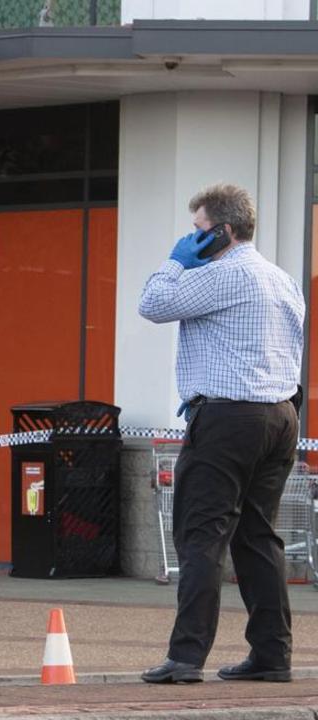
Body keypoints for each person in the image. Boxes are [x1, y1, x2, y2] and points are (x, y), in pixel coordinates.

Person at [137, 183, 304, 684]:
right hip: (280, 416)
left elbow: (153, 303)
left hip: (228, 419)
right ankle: (272, 655)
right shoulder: (281, 278)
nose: (191, 238)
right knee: (257, 538)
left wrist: (175, 261)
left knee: (200, 536)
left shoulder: (223, 275)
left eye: (198, 230)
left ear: (223, 232)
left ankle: (186, 657)